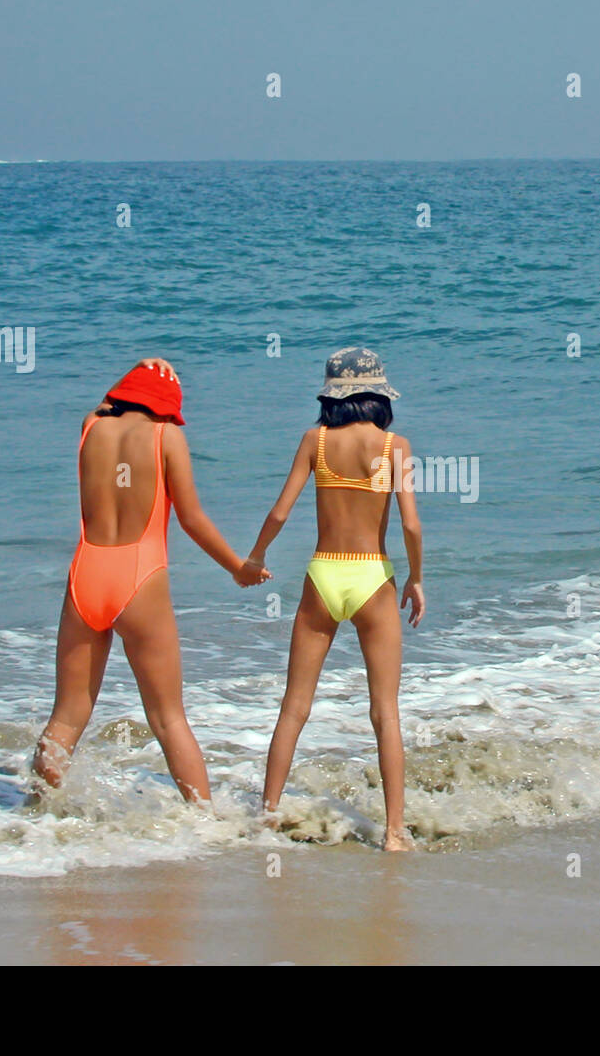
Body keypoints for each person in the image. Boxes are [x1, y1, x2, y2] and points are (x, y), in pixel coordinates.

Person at [32, 358, 269, 809]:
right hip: (139, 578)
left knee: (65, 716)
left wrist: (138, 374)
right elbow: (192, 518)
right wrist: (238, 567)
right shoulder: (167, 436)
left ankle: (35, 817)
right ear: (168, 407)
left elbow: (104, 406)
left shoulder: (91, 429)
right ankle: (206, 820)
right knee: (167, 718)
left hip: (86, 574)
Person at [245, 348, 424, 851]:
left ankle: (268, 816)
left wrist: (255, 557)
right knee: (384, 712)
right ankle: (392, 833)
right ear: (378, 396)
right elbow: (409, 523)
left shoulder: (315, 441)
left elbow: (280, 511)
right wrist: (415, 579)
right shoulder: (394, 447)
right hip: (373, 578)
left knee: (294, 707)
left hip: (323, 574)